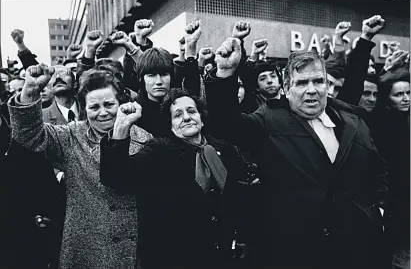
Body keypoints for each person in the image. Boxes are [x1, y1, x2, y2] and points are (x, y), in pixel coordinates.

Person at [204, 37, 389, 269]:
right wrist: (224, 72)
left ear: (327, 86)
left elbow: (377, 170)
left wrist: (378, 211)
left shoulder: (353, 122)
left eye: (318, 81)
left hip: (354, 249)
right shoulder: (267, 120)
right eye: (301, 83)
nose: (311, 90)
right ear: (286, 88)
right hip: (295, 251)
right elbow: (225, 124)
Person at [8, 65, 152, 269]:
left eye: (109, 104)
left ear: (120, 103)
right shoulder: (72, 136)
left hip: (135, 253)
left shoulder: (144, 139)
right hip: (86, 252)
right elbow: (29, 136)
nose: (103, 113)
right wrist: (31, 89)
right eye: (94, 107)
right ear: (84, 109)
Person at [100, 87, 246, 269]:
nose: (186, 117)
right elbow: (115, 176)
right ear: (170, 124)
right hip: (174, 256)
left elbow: (240, 198)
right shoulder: (159, 150)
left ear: (201, 118)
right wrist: (121, 128)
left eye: (191, 111)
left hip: (221, 255)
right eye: (178, 115)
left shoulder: (225, 150)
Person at [373, 69, 410, 269]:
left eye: (408, 93)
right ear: (387, 98)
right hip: (395, 201)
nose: (405, 99)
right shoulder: (383, 124)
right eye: (398, 94)